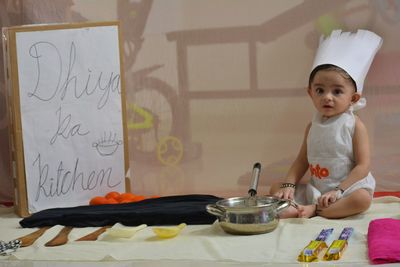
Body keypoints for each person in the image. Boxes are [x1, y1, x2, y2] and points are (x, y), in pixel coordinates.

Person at [269, 29, 383, 219]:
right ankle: (305, 206)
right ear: (310, 93)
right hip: (318, 189)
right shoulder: (312, 127)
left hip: (346, 190)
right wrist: (289, 185)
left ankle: (314, 210)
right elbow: (301, 161)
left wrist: (339, 190)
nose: (327, 97)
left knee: (362, 200)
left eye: (337, 92)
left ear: (353, 98)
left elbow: (363, 166)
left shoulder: (354, 125)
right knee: (276, 187)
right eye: (320, 90)